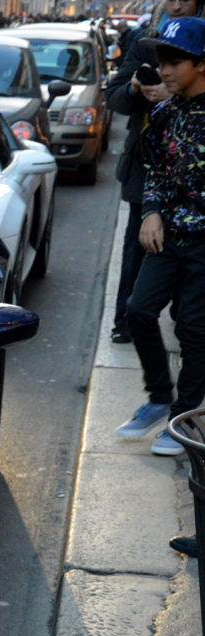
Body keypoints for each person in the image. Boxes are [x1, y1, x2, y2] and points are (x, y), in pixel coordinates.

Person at [115, 15, 205, 456]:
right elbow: (153, 167)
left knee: (193, 331)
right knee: (137, 310)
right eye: (161, 60)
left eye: (174, 61)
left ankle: (182, 421)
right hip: (169, 236)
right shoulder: (165, 111)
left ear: (201, 64)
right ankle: (158, 398)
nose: (163, 70)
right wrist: (151, 211)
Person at [109, 0, 201, 344]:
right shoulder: (141, 40)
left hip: (193, 180)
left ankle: (185, 321)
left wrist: (179, 94)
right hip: (144, 166)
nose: (177, 5)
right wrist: (135, 89)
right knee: (137, 248)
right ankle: (126, 321)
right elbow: (115, 99)